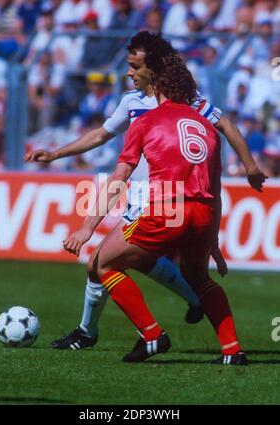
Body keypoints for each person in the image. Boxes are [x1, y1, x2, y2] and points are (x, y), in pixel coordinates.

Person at [24, 31, 266, 352]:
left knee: (101, 262)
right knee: (138, 261)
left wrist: (250, 166)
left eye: (134, 65)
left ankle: (105, 333)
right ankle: (195, 310)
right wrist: (55, 154)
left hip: (163, 199)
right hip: (154, 199)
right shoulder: (132, 102)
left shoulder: (187, 102)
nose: (128, 72)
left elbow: (227, 126)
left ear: (153, 67)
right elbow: (100, 135)